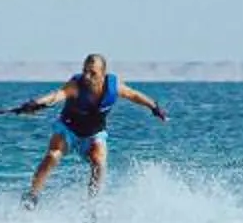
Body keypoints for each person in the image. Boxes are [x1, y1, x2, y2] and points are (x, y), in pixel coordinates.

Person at [10, 54, 164, 205]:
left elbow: (134, 95)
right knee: (53, 155)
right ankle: (32, 197)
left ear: (103, 74)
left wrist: (154, 107)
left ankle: (93, 206)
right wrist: (35, 104)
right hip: (68, 130)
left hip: (94, 134)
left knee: (99, 162)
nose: (87, 76)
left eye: (93, 73)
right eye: (85, 71)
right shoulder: (75, 85)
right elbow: (57, 95)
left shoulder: (113, 86)